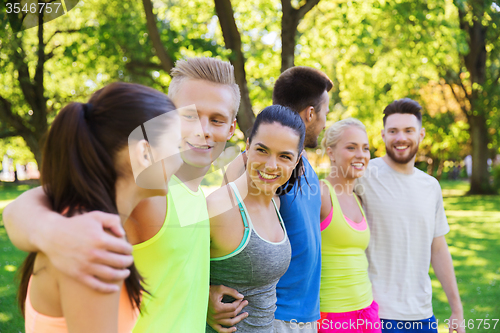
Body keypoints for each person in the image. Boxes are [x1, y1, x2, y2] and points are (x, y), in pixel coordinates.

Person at [3, 57, 240, 333]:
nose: (203, 130)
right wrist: (52, 231)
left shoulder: (194, 194)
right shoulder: (144, 192)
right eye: (188, 115)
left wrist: (203, 298)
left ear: (231, 128)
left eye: (217, 119)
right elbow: (24, 207)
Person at [16, 82, 182, 333]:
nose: (180, 161)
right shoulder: (91, 246)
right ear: (145, 154)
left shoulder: (83, 222)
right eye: (176, 146)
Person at [208, 66, 333, 333]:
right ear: (312, 113)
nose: (324, 123)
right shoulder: (247, 165)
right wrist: (204, 294)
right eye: (325, 114)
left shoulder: (302, 165)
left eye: (286, 155)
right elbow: (218, 239)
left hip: (305, 315)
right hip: (273, 315)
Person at [356, 98, 464, 333]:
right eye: (393, 131)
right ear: (383, 135)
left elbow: (438, 248)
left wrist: (457, 309)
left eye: (408, 130)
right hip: (375, 314)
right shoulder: (363, 176)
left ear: (421, 134)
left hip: (423, 316)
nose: (401, 138)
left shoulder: (431, 186)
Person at [207, 105, 308, 332]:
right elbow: (168, 272)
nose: (271, 165)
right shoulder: (219, 208)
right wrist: (203, 299)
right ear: (248, 145)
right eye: (262, 150)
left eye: (284, 156)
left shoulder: (276, 203)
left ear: (297, 160)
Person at [318, 118, 381, 333]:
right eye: (351, 147)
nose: (361, 155)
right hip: (332, 316)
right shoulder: (320, 194)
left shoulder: (358, 198)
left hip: (367, 311)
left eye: (365, 148)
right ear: (331, 153)